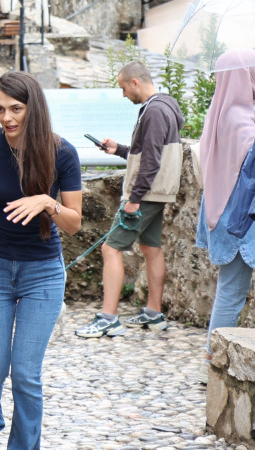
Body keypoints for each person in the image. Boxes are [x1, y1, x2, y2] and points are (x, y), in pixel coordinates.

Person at [0, 71, 82, 450]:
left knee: (26, 374)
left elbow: (75, 223)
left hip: (42, 274)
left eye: (16, 109)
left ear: (34, 108)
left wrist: (48, 202)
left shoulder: (62, 152)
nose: (7, 117)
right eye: (0, 109)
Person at [75, 61, 184, 339]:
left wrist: (134, 199)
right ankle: (154, 313)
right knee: (151, 247)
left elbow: (152, 160)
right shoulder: (166, 105)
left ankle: (109, 318)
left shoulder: (154, 111)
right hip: (158, 192)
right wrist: (119, 150)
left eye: (124, 88)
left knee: (110, 248)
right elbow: (150, 152)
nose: (124, 94)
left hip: (145, 194)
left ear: (135, 82)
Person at [195, 49, 255, 384]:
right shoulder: (239, 118)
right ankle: (213, 364)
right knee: (232, 291)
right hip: (241, 219)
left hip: (228, 213)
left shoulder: (222, 111)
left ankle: (212, 359)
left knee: (230, 290)